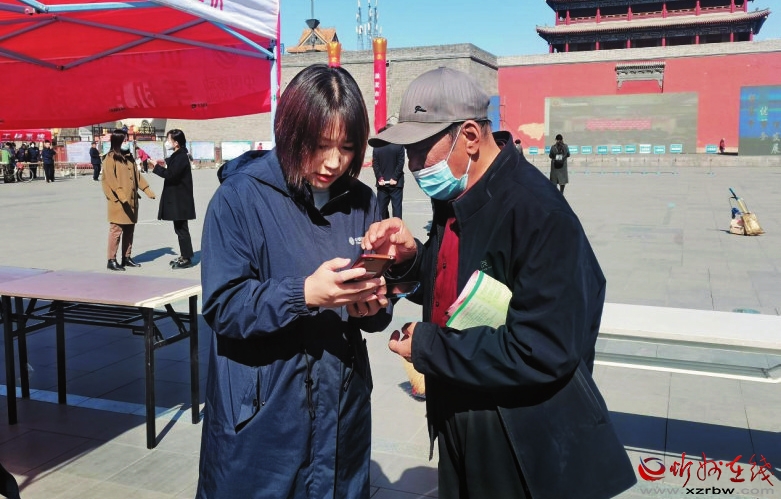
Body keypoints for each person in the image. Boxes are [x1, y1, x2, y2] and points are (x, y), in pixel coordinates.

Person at [362, 67, 636, 499]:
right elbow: (457, 282)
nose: (413, 167)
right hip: (459, 411)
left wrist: (430, 347)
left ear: (470, 136)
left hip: (516, 434)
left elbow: (543, 348)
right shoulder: (457, 195)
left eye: (420, 151)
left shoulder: (538, 213)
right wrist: (411, 259)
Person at [197, 64, 392, 498]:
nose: (334, 162)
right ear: (290, 132)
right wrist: (304, 294)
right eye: (321, 145)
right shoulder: (239, 198)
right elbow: (223, 305)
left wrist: (374, 303)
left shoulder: (362, 201)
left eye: (347, 147)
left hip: (340, 408)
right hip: (264, 418)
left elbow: (376, 310)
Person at [101, 129, 155, 271]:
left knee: (129, 230)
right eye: (125, 139)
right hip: (118, 202)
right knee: (116, 231)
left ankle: (126, 257)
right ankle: (111, 260)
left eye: (128, 139)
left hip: (131, 201)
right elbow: (110, 180)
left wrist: (146, 189)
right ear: (117, 141)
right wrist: (120, 194)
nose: (127, 142)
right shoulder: (110, 158)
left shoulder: (129, 157)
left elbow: (137, 176)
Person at [152, 129, 196, 269]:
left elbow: (171, 175)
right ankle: (184, 255)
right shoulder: (179, 155)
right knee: (179, 229)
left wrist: (156, 167)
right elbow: (172, 165)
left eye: (169, 140)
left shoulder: (181, 157)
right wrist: (161, 162)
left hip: (180, 200)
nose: (167, 142)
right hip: (178, 199)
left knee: (182, 229)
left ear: (176, 143)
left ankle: (187, 258)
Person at [372, 124, 406, 219]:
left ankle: (384, 225)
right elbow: (400, 163)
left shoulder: (377, 148)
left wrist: (380, 178)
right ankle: (396, 227)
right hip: (396, 183)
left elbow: (375, 165)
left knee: (381, 210)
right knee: (397, 208)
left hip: (382, 184)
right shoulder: (399, 146)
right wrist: (394, 178)